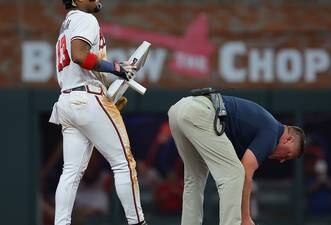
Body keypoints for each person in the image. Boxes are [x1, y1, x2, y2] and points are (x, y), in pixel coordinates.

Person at [49, 1, 147, 224]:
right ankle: (138, 222)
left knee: (70, 173)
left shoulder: (67, 23)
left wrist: (114, 74)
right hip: (87, 99)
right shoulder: (86, 18)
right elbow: (80, 56)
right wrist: (115, 68)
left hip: (67, 100)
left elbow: (82, 61)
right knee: (124, 162)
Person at [168, 92, 306, 225]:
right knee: (234, 173)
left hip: (179, 109)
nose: (282, 159)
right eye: (288, 155)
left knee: (195, 179)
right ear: (289, 139)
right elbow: (246, 169)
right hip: (200, 112)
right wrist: (245, 217)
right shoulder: (273, 132)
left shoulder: (264, 127)